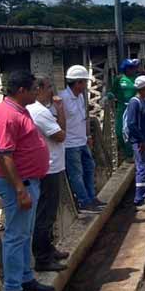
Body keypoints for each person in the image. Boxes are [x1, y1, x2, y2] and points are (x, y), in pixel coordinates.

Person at [0, 70, 54, 291]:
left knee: (24, 234)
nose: (37, 93)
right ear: (21, 91)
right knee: (16, 236)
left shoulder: (20, 110)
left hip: (29, 181)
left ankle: (26, 279)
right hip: (20, 184)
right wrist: (19, 189)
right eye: (33, 89)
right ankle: (12, 289)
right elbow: (5, 155)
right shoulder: (6, 115)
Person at [26, 76, 69, 273]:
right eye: (50, 87)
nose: (53, 92)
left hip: (49, 166)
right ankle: (43, 258)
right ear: (40, 89)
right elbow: (60, 135)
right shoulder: (40, 112)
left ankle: (48, 249)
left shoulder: (36, 110)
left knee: (47, 213)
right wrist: (60, 110)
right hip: (49, 168)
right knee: (45, 214)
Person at [60, 65, 105, 213]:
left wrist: (88, 135)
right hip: (70, 145)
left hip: (82, 141)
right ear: (78, 82)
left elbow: (84, 117)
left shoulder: (80, 97)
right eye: (84, 82)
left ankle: (92, 198)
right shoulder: (62, 98)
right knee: (76, 174)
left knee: (89, 168)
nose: (86, 85)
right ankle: (83, 202)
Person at [124, 74, 145, 207]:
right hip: (140, 142)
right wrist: (140, 140)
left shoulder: (144, 100)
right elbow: (132, 124)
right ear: (144, 88)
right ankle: (139, 200)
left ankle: (143, 196)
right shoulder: (135, 102)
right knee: (142, 168)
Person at [110, 58, 140, 160]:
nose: (133, 70)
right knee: (119, 131)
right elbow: (112, 91)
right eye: (130, 68)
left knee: (132, 129)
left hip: (134, 107)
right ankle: (125, 151)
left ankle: (132, 154)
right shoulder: (119, 79)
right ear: (125, 68)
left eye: (134, 68)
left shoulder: (137, 78)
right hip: (122, 107)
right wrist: (108, 96)